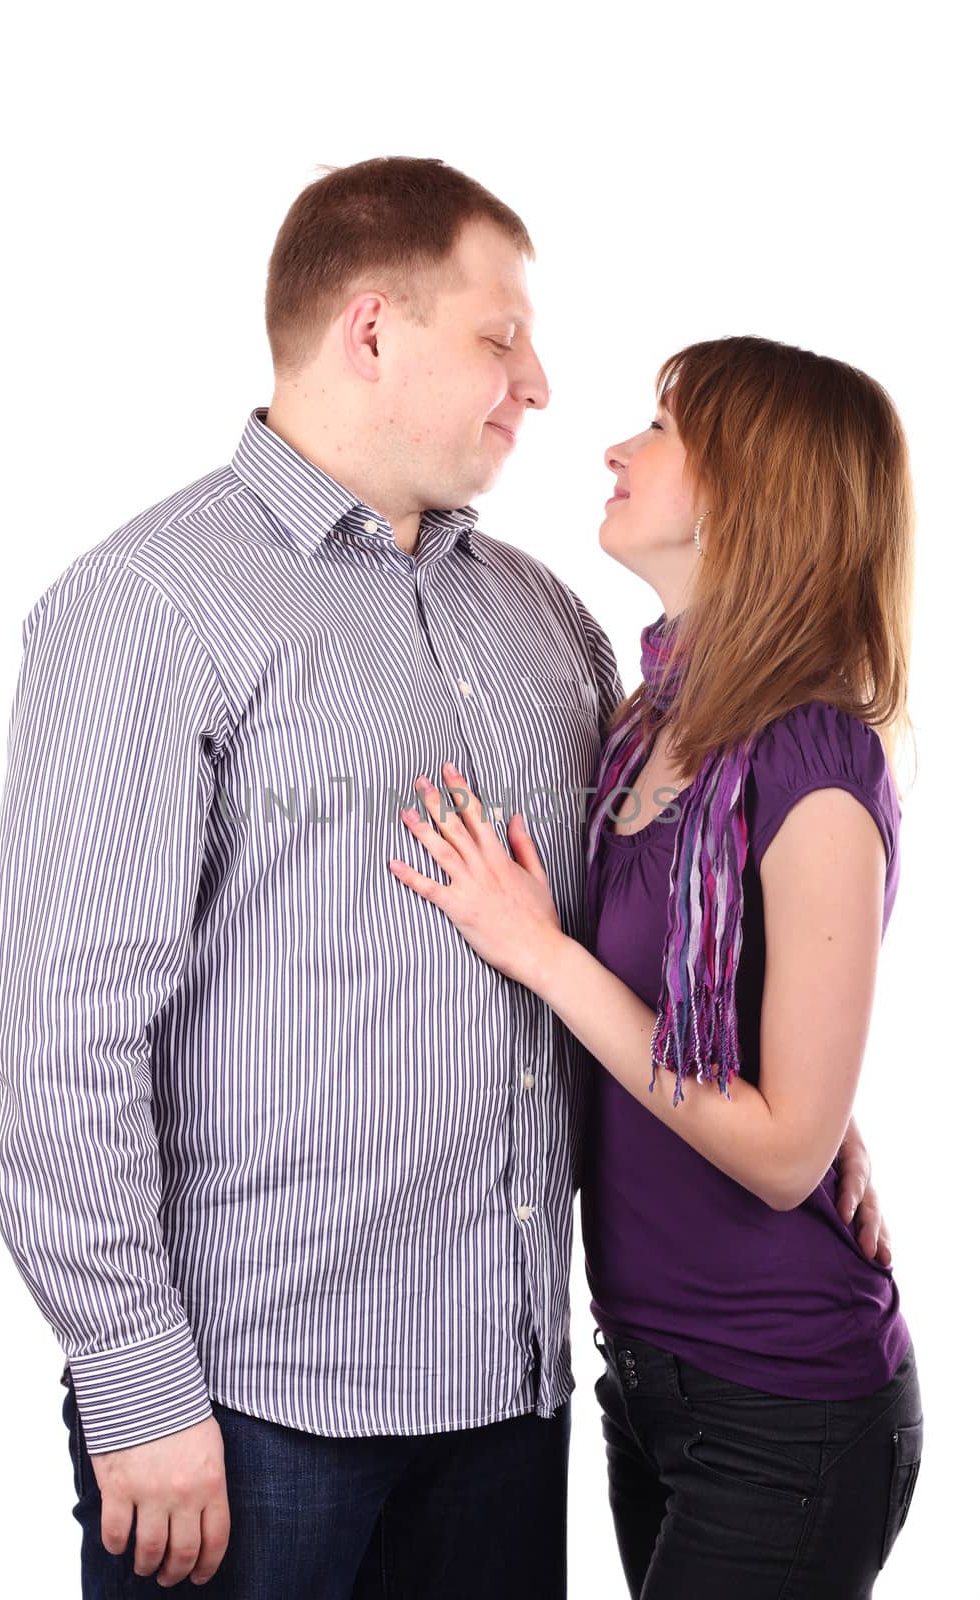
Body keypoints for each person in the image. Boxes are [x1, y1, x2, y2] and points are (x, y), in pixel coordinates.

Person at [0, 158, 888, 1598]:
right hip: (253, 1407)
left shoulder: (544, 626)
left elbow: (651, 935)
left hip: (504, 1400)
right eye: (498, 334)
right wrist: (135, 1384)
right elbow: (62, 1031)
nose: (537, 382)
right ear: (371, 329)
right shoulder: (149, 606)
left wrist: (806, 1114)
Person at [389, 333, 923, 1597]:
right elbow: (738, 1051)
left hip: (785, 1408)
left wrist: (542, 952)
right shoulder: (646, 729)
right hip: (645, 1378)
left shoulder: (814, 766)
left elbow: (787, 1148)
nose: (617, 448)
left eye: (664, 431)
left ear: (757, 493)